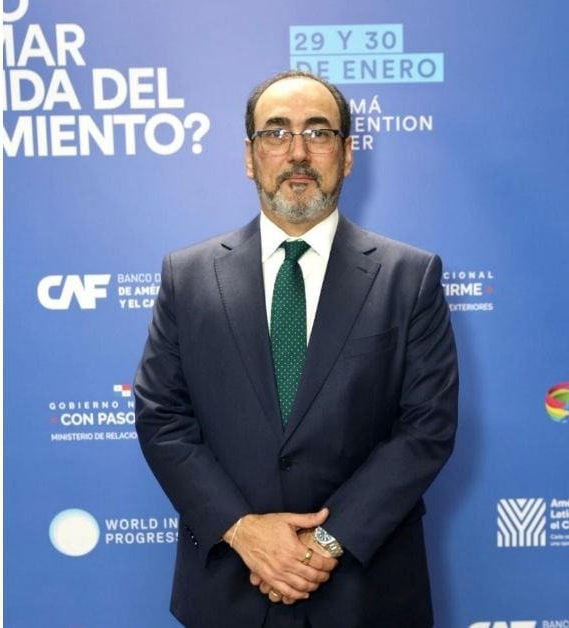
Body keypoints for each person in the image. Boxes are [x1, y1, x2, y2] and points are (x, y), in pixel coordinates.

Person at [133, 69, 459, 627]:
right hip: (228, 588)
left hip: (367, 589)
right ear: (249, 155)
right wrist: (243, 530)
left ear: (348, 153)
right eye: (276, 133)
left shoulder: (411, 277)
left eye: (319, 132)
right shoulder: (186, 277)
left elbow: (426, 428)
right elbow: (161, 417)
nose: (298, 152)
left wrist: (325, 542)